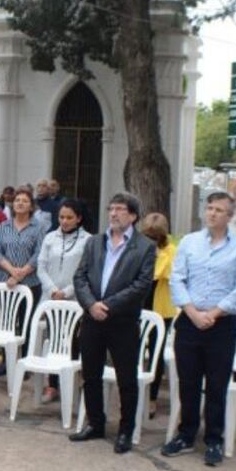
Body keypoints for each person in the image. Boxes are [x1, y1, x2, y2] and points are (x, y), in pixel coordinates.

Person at [162, 192, 236, 466]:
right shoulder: (190, 243)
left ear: (229, 216)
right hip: (189, 322)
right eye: (210, 208)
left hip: (221, 324)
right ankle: (186, 434)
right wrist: (192, 312)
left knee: (216, 385)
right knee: (188, 382)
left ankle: (214, 438)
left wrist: (213, 313)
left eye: (219, 210)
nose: (212, 213)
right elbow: (177, 279)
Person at [70, 193, 156, 454]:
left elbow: (141, 286)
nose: (114, 213)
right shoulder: (95, 242)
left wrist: (107, 305)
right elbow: (80, 277)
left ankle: (125, 430)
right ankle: (95, 423)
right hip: (92, 319)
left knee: (126, 379)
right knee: (91, 375)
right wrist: (91, 304)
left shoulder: (145, 247)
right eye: (111, 208)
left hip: (122, 323)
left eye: (120, 209)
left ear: (132, 216)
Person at [36, 199, 91, 403]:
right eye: (61, 217)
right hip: (51, 299)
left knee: (72, 341)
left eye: (69, 217)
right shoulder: (50, 237)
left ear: (79, 218)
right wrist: (52, 290)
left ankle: (72, 381)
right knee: (53, 338)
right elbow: (41, 266)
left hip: (74, 299)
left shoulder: (88, 240)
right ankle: (52, 385)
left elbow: (85, 271)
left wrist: (66, 292)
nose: (65, 221)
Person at [0, 187, 46, 377]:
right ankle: (6, 362)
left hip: (30, 283)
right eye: (17, 200)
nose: (20, 203)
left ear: (31, 206)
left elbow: (40, 254)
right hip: (5, 282)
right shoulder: (3, 226)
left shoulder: (38, 228)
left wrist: (21, 273)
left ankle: (25, 362)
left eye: (24, 200)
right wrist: (12, 271)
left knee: (26, 323)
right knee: (6, 323)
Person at [140, 212, 178, 418]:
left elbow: (160, 272)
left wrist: (153, 256)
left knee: (156, 353)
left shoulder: (171, 250)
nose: (151, 240)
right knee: (135, 349)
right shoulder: (138, 246)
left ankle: (152, 397)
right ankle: (137, 390)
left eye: (155, 237)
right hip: (139, 305)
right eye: (148, 236)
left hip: (161, 309)